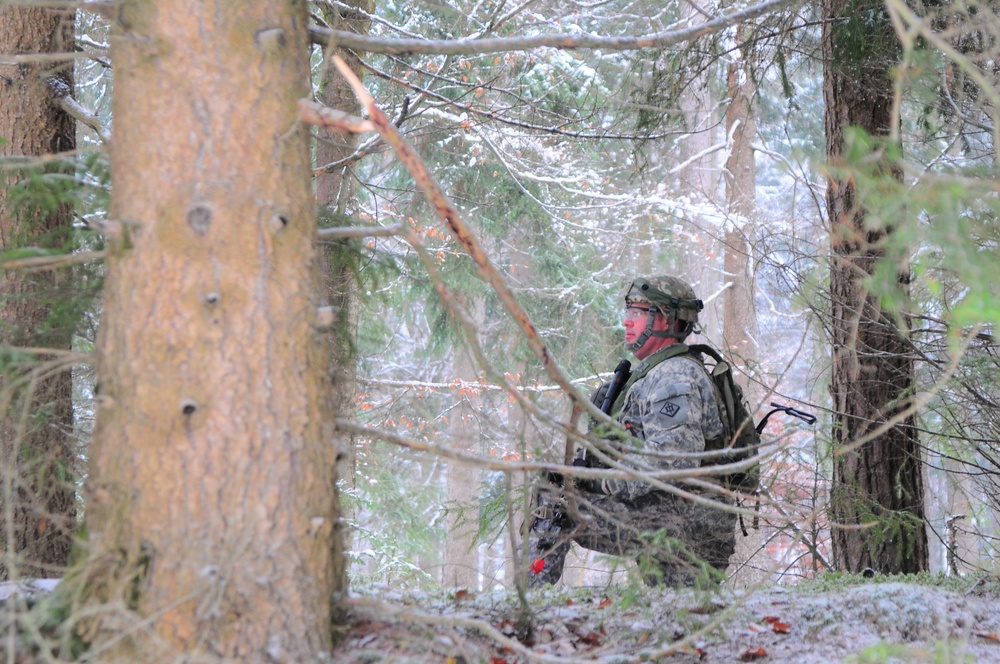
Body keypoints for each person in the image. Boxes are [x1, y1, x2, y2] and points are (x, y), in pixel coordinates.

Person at [526, 275, 738, 587]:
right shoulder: (657, 371)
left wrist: (604, 484)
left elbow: (674, 459)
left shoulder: (673, 375)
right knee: (676, 614)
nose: (627, 322)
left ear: (665, 319)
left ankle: (529, 602)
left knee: (556, 501)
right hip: (676, 516)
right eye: (629, 313)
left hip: (686, 523)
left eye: (637, 313)